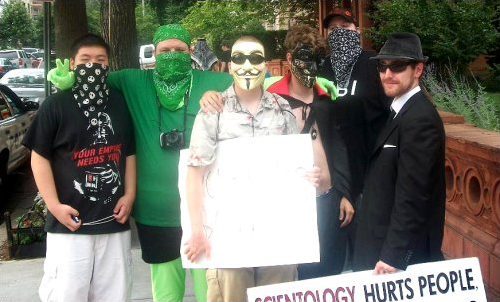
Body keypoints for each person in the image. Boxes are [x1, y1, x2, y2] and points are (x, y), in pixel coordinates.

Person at [47, 24, 233, 302]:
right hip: (156, 212)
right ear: (154, 54)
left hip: (206, 210)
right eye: (164, 50)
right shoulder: (133, 82)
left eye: (179, 50)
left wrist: (310, 86)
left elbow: (254, 85)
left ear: (190, 51)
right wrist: (68, 82)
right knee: (166, 291)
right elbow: (94, 79)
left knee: (211, 288)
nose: (172, 55)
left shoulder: (212, 81)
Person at [184, 35, 320, 302]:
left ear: (266, 63)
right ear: (229, 63)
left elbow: (293, 165)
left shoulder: (282, 108)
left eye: (255, 58)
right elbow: (194, 173)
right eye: (239, 58)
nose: (247, 65)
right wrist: (197, 230)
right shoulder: (214, 110)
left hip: (276, 236)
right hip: (229, 237)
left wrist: (308, 176)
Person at [23, 33, 136, 302]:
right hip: (69, 225)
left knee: (115, 294)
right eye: (85, 59)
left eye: (100, 60)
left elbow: (129, 152)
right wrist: (53, 205)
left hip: (113, 223)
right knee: (66, 294)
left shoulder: (119, 102)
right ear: (72, 63)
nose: (93, 65)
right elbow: (39, 157)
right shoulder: (56, 105)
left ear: (108, 64)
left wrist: (129, 194)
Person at [353, 32, 446, 274]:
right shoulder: (398, 111)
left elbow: (414, 195)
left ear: (418, 70)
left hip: (396, 258)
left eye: (397, 66)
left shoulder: (420, 119)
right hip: (379, 244)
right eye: (382, 66)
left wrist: (394, 255)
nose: (387, 74)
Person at [265, 24, 353, 279]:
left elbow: (339, 147)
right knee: (294, 275)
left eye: (317, 59)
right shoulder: (270, 99)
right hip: (289, 205)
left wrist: (345, 193)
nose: (312, 67)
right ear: (290, 58)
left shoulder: (327, 98)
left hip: (328, 199)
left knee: (329, 273)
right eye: (305, 58)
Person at [319, 7, 392, 269]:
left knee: (367, 257)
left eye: (346, 27)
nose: (340, 33)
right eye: (334, 29)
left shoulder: (374, 65)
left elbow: (396, 110)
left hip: (371, 172)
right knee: (331, 256)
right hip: (334, 175)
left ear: (357, 31)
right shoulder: (320, 69)